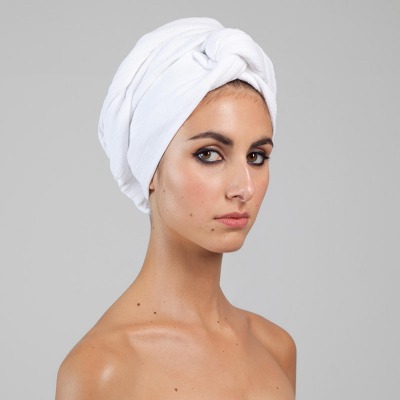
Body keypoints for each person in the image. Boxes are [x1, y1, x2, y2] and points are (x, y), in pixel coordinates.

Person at [56, 17, 296, 399]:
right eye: (209, 154)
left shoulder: (276, 348)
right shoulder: (103, 370)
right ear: (151, 169)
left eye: (256, 156)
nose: (244, 188)